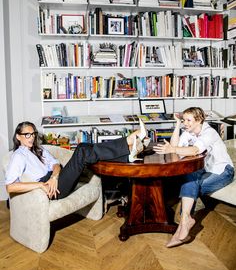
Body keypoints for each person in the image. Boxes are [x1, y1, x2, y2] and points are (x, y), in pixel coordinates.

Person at [153, 107, 234, 248]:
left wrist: (173, 149)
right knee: (191, 177)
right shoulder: (188, 132)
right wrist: (177, 124)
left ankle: (181, 228)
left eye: (188, 120)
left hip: (223, 172)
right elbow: (174, 146)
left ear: (199, 120)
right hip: (205, 171)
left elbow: (195, 150)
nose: (186, 123)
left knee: (190, 184)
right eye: (184, 120)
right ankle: (186, 222)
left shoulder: (209, 133)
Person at [5, 120, 147, 200]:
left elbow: (56, 164)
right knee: (82, 151)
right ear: (18, 136)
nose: (32, 138)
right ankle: (128, 142)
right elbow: (10, 187)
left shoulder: (39, 149)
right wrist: (41, 185)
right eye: (27, 135)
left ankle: (127, 156)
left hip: (55, 180)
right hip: (50, 190)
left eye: (33, 134)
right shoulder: (18, 156)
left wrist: (54, 176)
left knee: (83, 146)